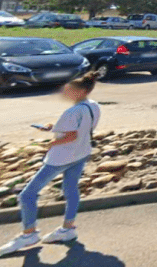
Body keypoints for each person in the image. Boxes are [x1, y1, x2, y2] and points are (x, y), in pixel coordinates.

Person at [0, 72, 102, 256]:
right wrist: (53, 128)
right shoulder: (93, 105)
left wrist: (51, 143)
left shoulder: (72, 111)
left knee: (27, 195)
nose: (65, 92)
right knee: (71, 189)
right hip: (81, 153)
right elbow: (81, 128)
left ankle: (29, 234)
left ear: (81, 91)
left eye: (69, 90)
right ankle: (68, 229)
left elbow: (71, 135)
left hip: (61, 158)